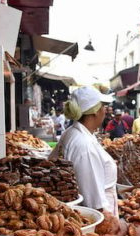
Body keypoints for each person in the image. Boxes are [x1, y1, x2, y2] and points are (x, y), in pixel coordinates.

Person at [48, 86, 118, 215]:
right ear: (95, 111)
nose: (105, 110)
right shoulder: (84, 146)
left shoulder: (72, 133)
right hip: (98, 218)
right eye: (103, 106)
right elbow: (94, 204)